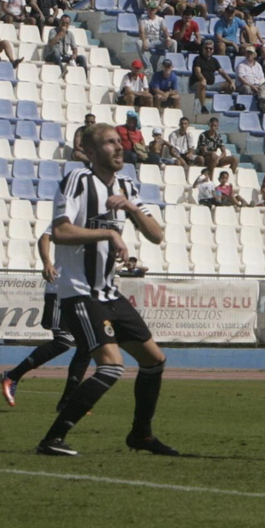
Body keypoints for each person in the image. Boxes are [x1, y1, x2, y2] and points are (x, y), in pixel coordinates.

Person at [33, 122, 176, 457]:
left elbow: (156, 235)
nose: (118, 147)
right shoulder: (78, 180)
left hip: (109, 293)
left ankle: (141, 435)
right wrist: (109, 233)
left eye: (118, 141)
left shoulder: (127, 186)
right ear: (91, 152)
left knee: (154, 360)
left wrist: (130, 208)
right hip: (79, 292)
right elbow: (61, 231)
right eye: (109, 143)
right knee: (111, 366)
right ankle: (52, 439)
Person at [0, 232, 92, 413]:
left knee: (88, 345)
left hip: (82, 293)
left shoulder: (98, 227)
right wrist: (47, 263)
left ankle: (68, 401)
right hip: (60, 289)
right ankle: (12, 376)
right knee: (63, 341)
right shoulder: (71, 218)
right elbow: (45, 236)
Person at [189, 39, 233, 114]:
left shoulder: (214, 60)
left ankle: (220, 103)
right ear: (203, 49)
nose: (208, 50)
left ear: (213, 50)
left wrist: (231, 81)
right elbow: (197, 72)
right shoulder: (198, 59)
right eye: (206, 48)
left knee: (229, 86)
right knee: (202, 84)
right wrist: (202, 79)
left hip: (211, 85)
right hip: (197, 84)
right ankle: (203, 107)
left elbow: (221, 72)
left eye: (210, 48)